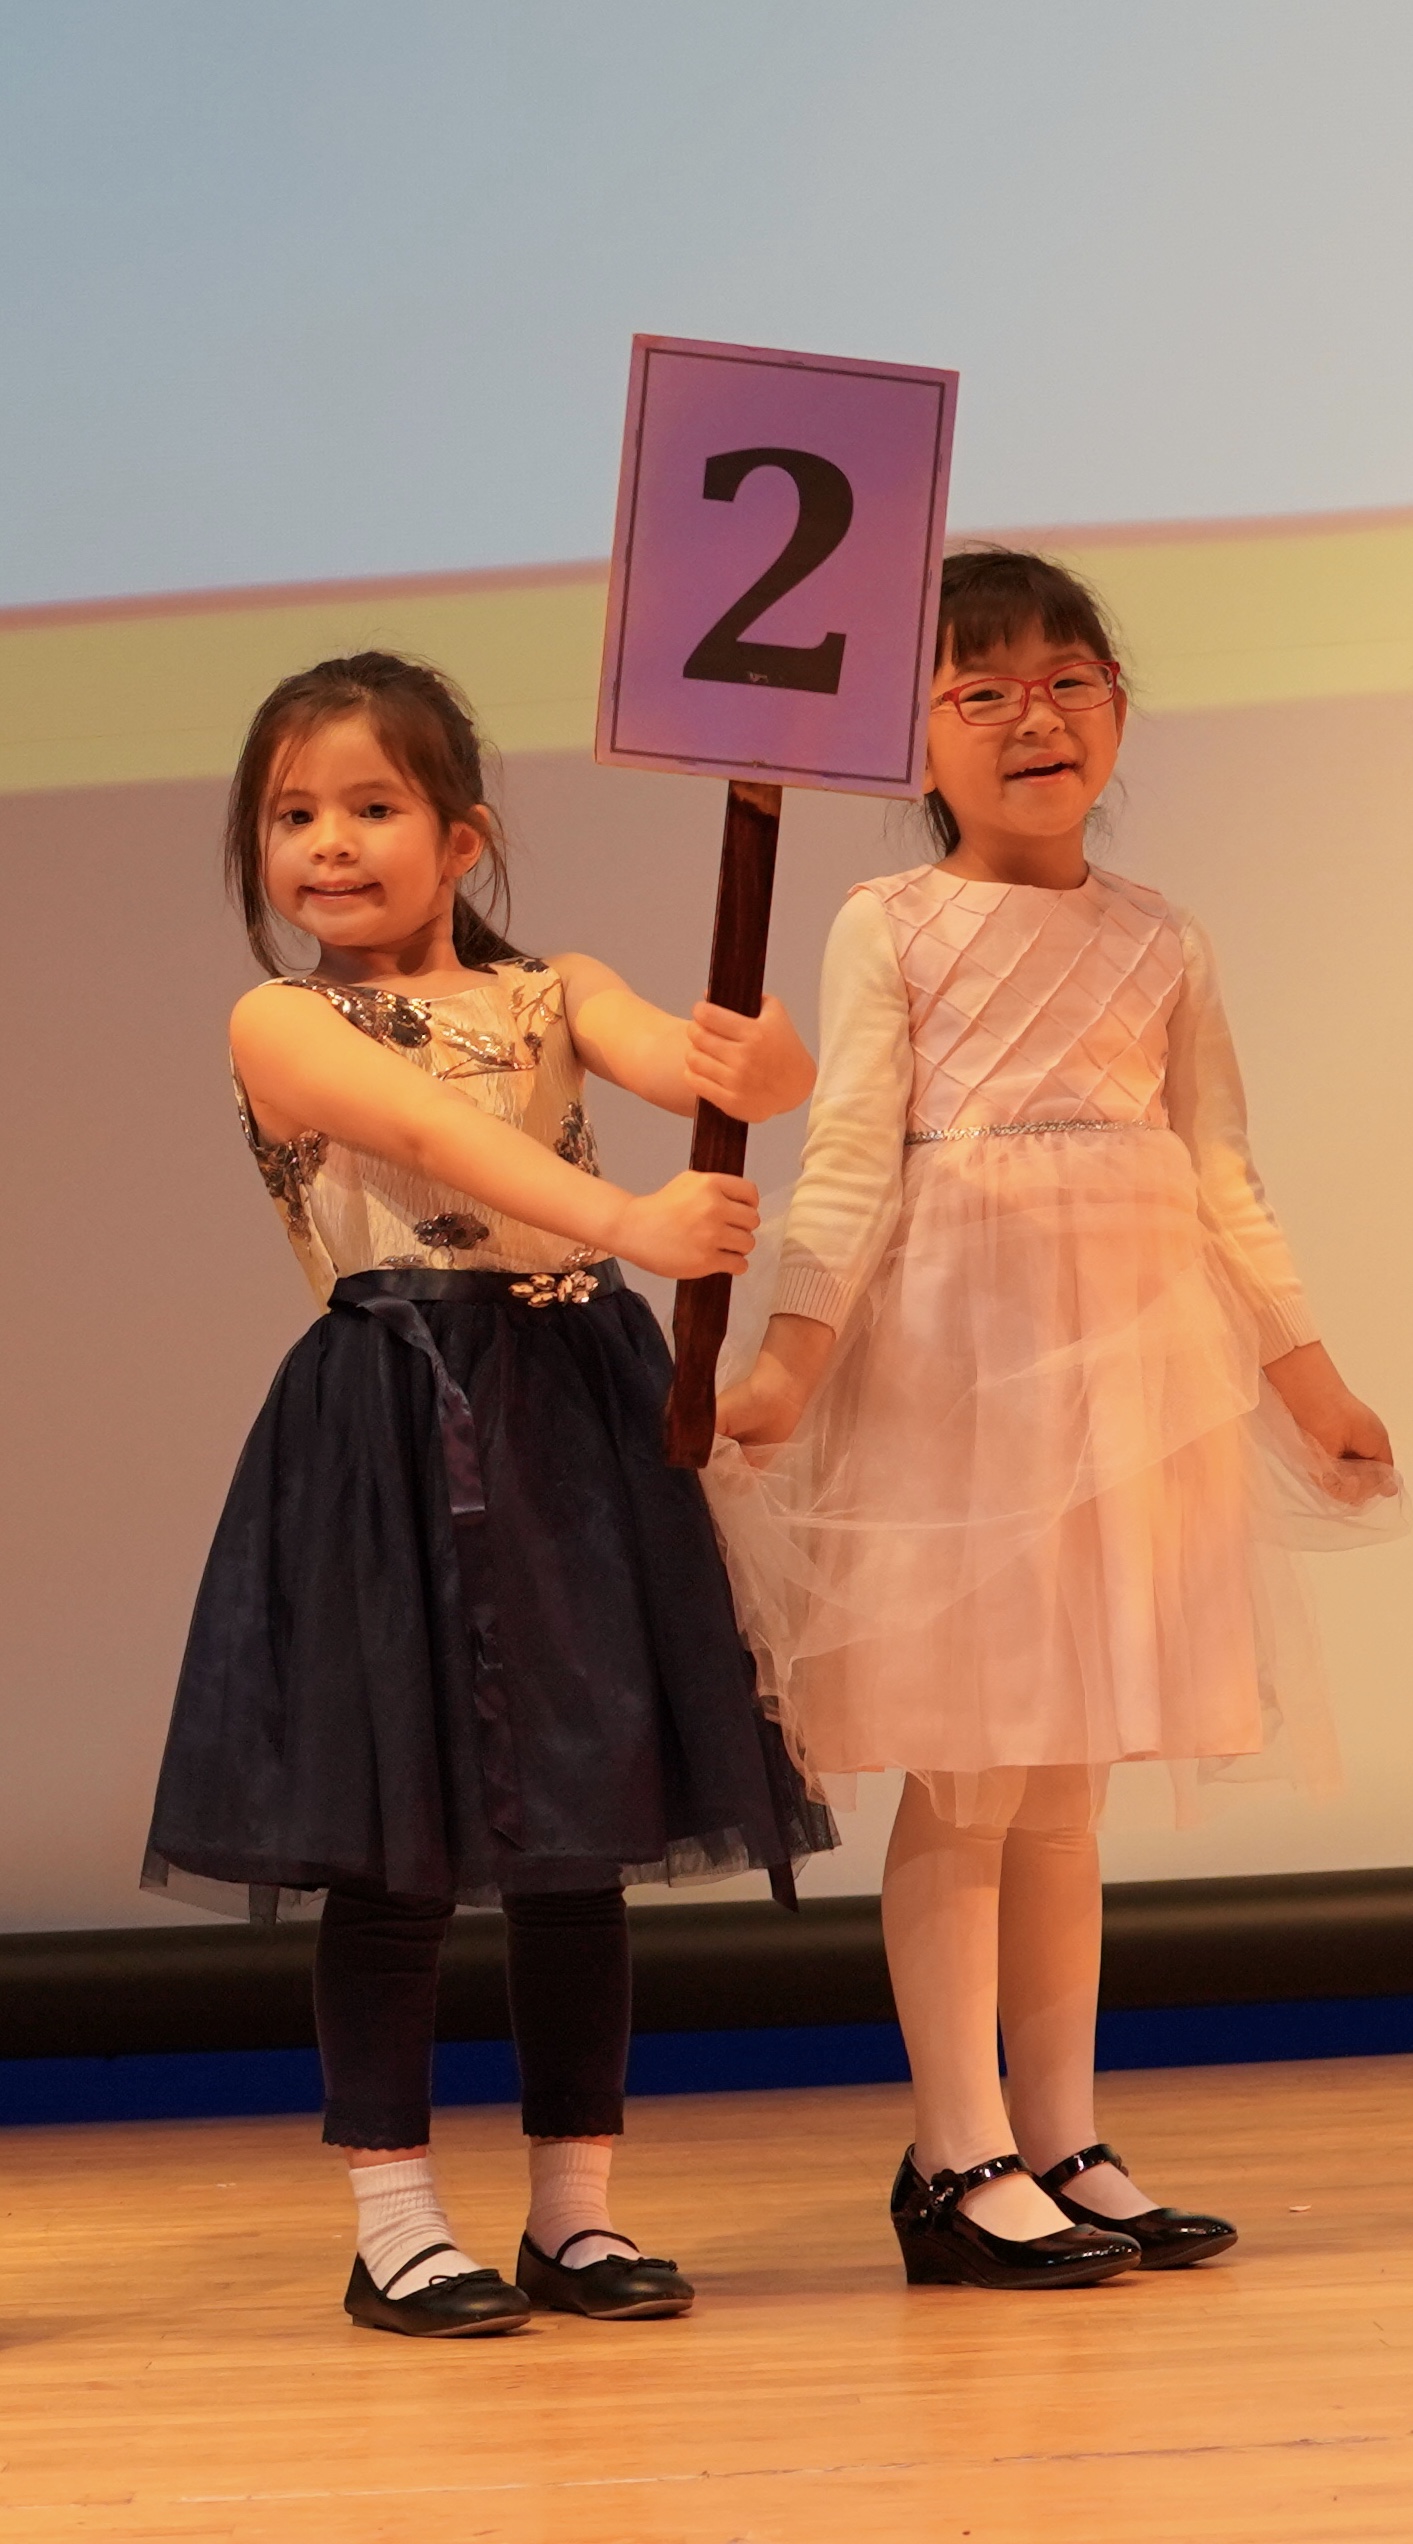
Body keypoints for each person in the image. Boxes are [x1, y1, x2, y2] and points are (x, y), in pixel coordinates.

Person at [712, 547, 1401, 2293]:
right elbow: (847, 1161)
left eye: (1068, 682)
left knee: (1066, 1783)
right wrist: (788, 1361)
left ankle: (1064, 2131)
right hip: (953, 1378)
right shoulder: (892, 922)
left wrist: (1307, 1378)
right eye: (982, 690)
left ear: (1117, 713)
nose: (1034, 718)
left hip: (1126, 1384)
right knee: (970, 1768)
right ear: (915, 744)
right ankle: (953, 2150)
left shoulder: (1161, 934)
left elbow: (1220, 1175)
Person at [145, 649, 834, 2338]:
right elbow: (443, 1143)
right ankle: (394, 2222)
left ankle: (572, 2214)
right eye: (291, 815)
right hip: (392, 1420)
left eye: (371, 806)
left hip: (570, 1421)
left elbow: (713, 1074)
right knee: (390, 1846)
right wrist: (634, 1225)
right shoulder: (280, 1019)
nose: (327, 842)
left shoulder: (557, 988)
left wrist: (759, 1057)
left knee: (575, 1839)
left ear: (459, 840)